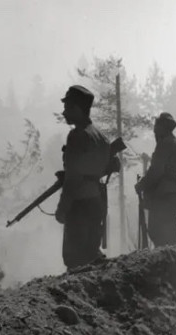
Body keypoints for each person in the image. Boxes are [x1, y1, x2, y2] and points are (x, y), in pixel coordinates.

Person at [56, 85, 110, 270]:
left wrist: (62, 208)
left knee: (75, 261)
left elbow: (73, 178)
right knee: (90, 258)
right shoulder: (100, 136)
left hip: (79, 204)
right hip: (96, 201)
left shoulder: (77, 136)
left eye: (67, 107)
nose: (64, 112)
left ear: (77, 109)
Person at [135, 112, 176, 247]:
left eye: (156, 126)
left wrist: (141, 184)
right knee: (170, 232)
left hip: (161, 196)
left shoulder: (165, 144)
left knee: (159, 233)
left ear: (162, 127)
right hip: (171, 193)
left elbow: (156, 171)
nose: (154, 130)